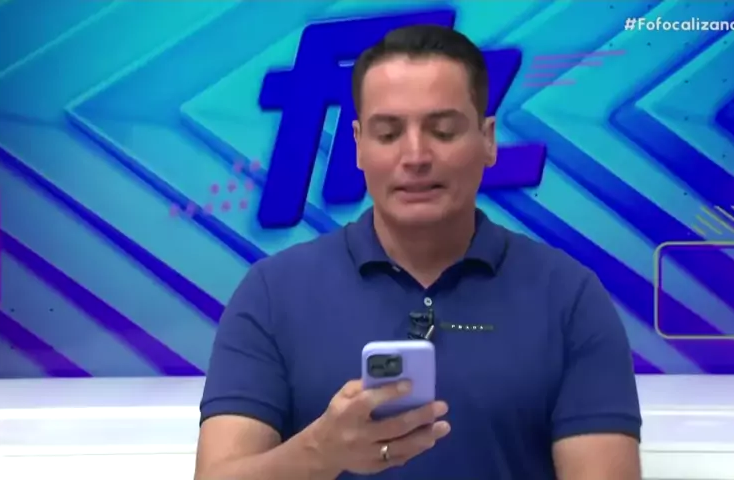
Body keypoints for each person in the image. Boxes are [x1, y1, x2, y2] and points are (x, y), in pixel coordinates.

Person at [194, 24, 642, 480]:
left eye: (443, 131)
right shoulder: (273, 294)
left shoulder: (568, 297)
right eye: (389, 134)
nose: (415, 156)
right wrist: (317, 452)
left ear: (488, 139)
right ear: (358, 146)